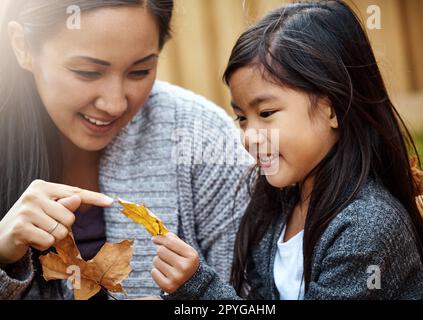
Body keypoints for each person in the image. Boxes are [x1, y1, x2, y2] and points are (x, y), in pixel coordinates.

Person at [150, 1, 423, 300]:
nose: (249, 136)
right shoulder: (278, 208)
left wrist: (198, 290)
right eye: (242, 118)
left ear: (333, 109)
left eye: (266, 113)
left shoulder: (367, 225)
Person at [0, 0, 251, 300]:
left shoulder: (203, 137)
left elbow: (253, 298)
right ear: (22, 45)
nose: (115, 103)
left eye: (140, 71)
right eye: (87, 72)